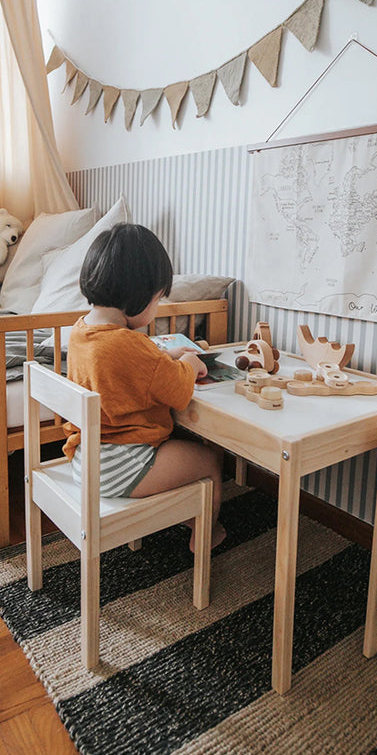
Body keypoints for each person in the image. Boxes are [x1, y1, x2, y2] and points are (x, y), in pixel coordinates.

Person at [64, 222, 225, 551]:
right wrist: (190, 364)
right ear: (135, 295)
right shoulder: (128, 346)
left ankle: (186, 513)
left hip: (87, 460)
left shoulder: (82, 331)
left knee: (182, 453)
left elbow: (132, 363)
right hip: (122, 467)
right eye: (157, 300)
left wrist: (167, 354)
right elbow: (179, 392)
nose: (156, 310)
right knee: (209, 460)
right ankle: (205, 535)